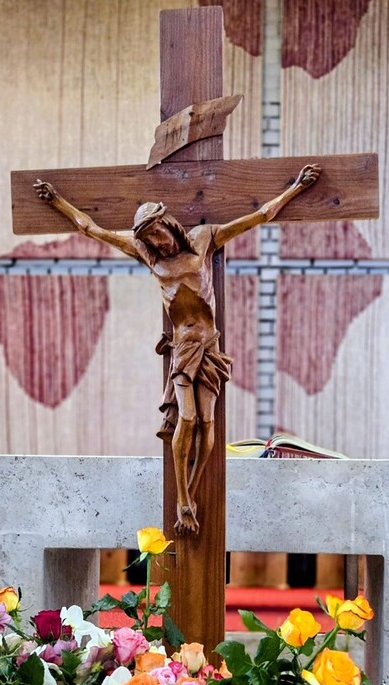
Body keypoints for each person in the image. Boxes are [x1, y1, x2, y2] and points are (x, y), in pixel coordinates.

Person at [34, 163, 321, 536]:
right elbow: (93, 229)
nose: (157, 242)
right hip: (183, 348)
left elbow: (261, 216)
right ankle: (182, 499)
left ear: (168, 223)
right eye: (149, 238)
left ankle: (193, 492)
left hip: (210, 346)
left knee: (206, 423)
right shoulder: (148, 255)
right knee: (186, 420)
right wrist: (57, 201)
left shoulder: (204, 238)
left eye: (157, 232)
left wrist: (296, 187)